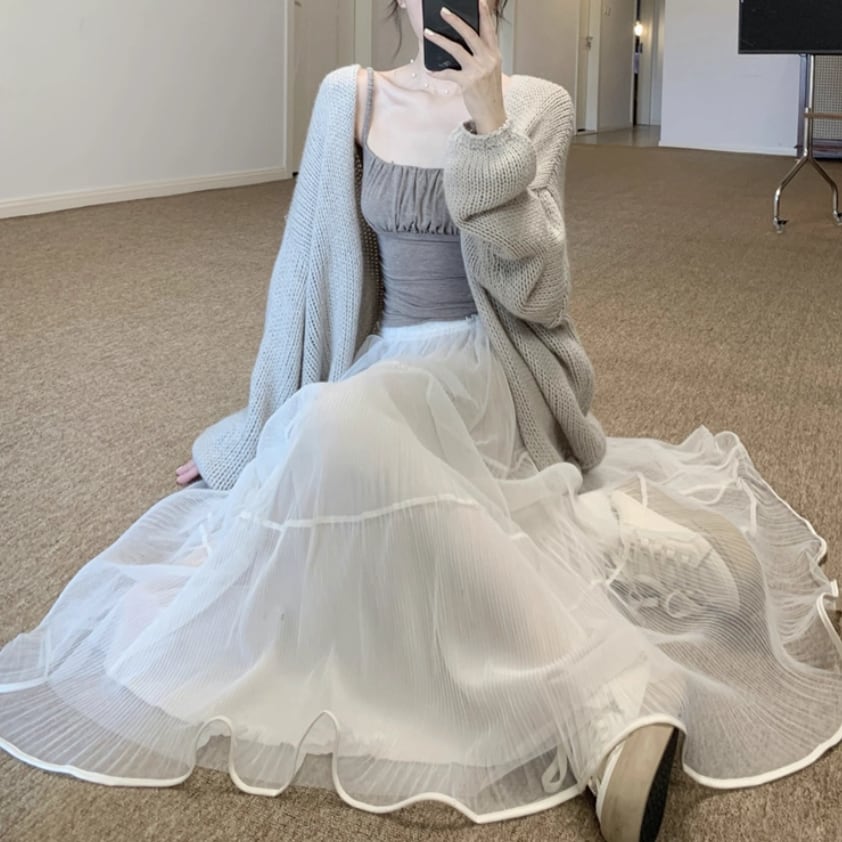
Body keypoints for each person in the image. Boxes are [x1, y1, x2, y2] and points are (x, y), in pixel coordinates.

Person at [1, 3, 840, 842]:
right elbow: (306, 276)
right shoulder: (350, 96)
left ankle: (609, 704)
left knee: (338, 439)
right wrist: (257, 426)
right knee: (326, 444)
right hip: (381, 367)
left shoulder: (536, 104)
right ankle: (603, 634)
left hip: (489, 371)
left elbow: (539, 293)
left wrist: (490, 126)